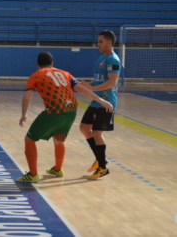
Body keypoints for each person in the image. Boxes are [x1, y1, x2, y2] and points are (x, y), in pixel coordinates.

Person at [16, 52, 113, 183]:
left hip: (55, 111)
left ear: (38, 65)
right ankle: (57, 169)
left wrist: (23, 115)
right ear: (52, 64)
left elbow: (27, 98)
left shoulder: (35, 75)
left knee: (29, 140)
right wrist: (101, 100)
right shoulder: (65, 73)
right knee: (59, 140)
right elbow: (81, 89)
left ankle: (33, 174)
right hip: (71, 110)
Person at [79, 30, 121, 179]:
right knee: (84, 127)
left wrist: (93, 89)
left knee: (97, 133)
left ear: (109, 42)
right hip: (96, 101)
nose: (98, 44)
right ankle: (100, 159)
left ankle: (103, 168)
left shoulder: (113, 60)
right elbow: (98, 80)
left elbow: (111, 82)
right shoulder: (101, 59)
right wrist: (87, 84)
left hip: (106, 103)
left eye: (100, 41)